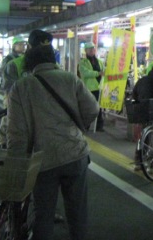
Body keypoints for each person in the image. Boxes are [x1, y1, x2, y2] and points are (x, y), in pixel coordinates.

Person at [6, 43, 99, 240]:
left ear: (29, 63)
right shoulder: (70, 78)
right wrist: (77, 127)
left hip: (43, 161)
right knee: (78, 215)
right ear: (53, 60)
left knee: (44, 216)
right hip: (75, 155)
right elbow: (93, 109)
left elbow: (17, 132)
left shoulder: (21, 87)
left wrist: (17, 164)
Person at [132, 63, 153, 170]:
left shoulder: (142, 80)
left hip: (143, 111)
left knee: (143, 136)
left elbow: (134, 94)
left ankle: (138, 161)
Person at [79, 42, 105, 132]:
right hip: (88, 88)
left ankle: (99, 126)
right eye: (89, 49)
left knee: (99, 108)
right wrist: (98, 73)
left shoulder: (100, 62)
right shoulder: (83, 62)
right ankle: (86, 125)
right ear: (86, 51)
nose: (92, 50)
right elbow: (85, 73)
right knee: (88, 107)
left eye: (93, 49)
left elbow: (104, 72)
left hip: (99, 88)